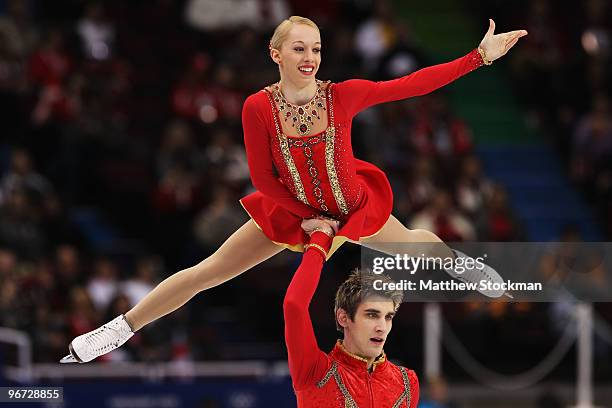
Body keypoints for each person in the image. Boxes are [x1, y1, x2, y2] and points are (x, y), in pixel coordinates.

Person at [60, 16, 527, 363]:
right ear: (276, 54)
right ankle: (119, 328)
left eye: (317, 49)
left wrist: (478, 58)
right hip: (292, 211)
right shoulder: (257, 107)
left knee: (416, 244)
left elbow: (411, 84)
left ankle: (468, 266)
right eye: (299, 49)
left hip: (349, 206)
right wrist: (304, 218)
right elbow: (263, 179)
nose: (310, 59)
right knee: (210, 271)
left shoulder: (342, 95)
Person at [284, 217, 418, 407]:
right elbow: (294, 305)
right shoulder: (315, 371)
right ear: (343, 317)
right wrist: (321, 236)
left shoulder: (407, 382)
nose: (382, 327)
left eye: (388, 317)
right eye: (371, 315)